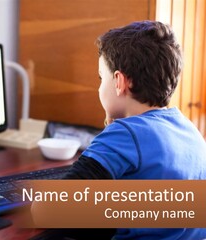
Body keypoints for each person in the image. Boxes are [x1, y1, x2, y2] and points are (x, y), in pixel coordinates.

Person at [32, 20, 206, 239]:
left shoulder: (126, 134)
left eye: (100, 78)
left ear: (118, 81)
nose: (99, 86)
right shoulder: (190, 131)